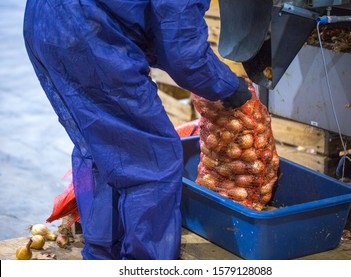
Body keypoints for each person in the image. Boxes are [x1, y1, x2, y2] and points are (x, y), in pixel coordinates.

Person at [23, 0, 251, 260]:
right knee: (153, 161)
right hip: (88, 33)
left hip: (43, 21)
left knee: (98, 146)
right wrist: (229, 87)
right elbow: (182, 50)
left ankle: (102, 257)